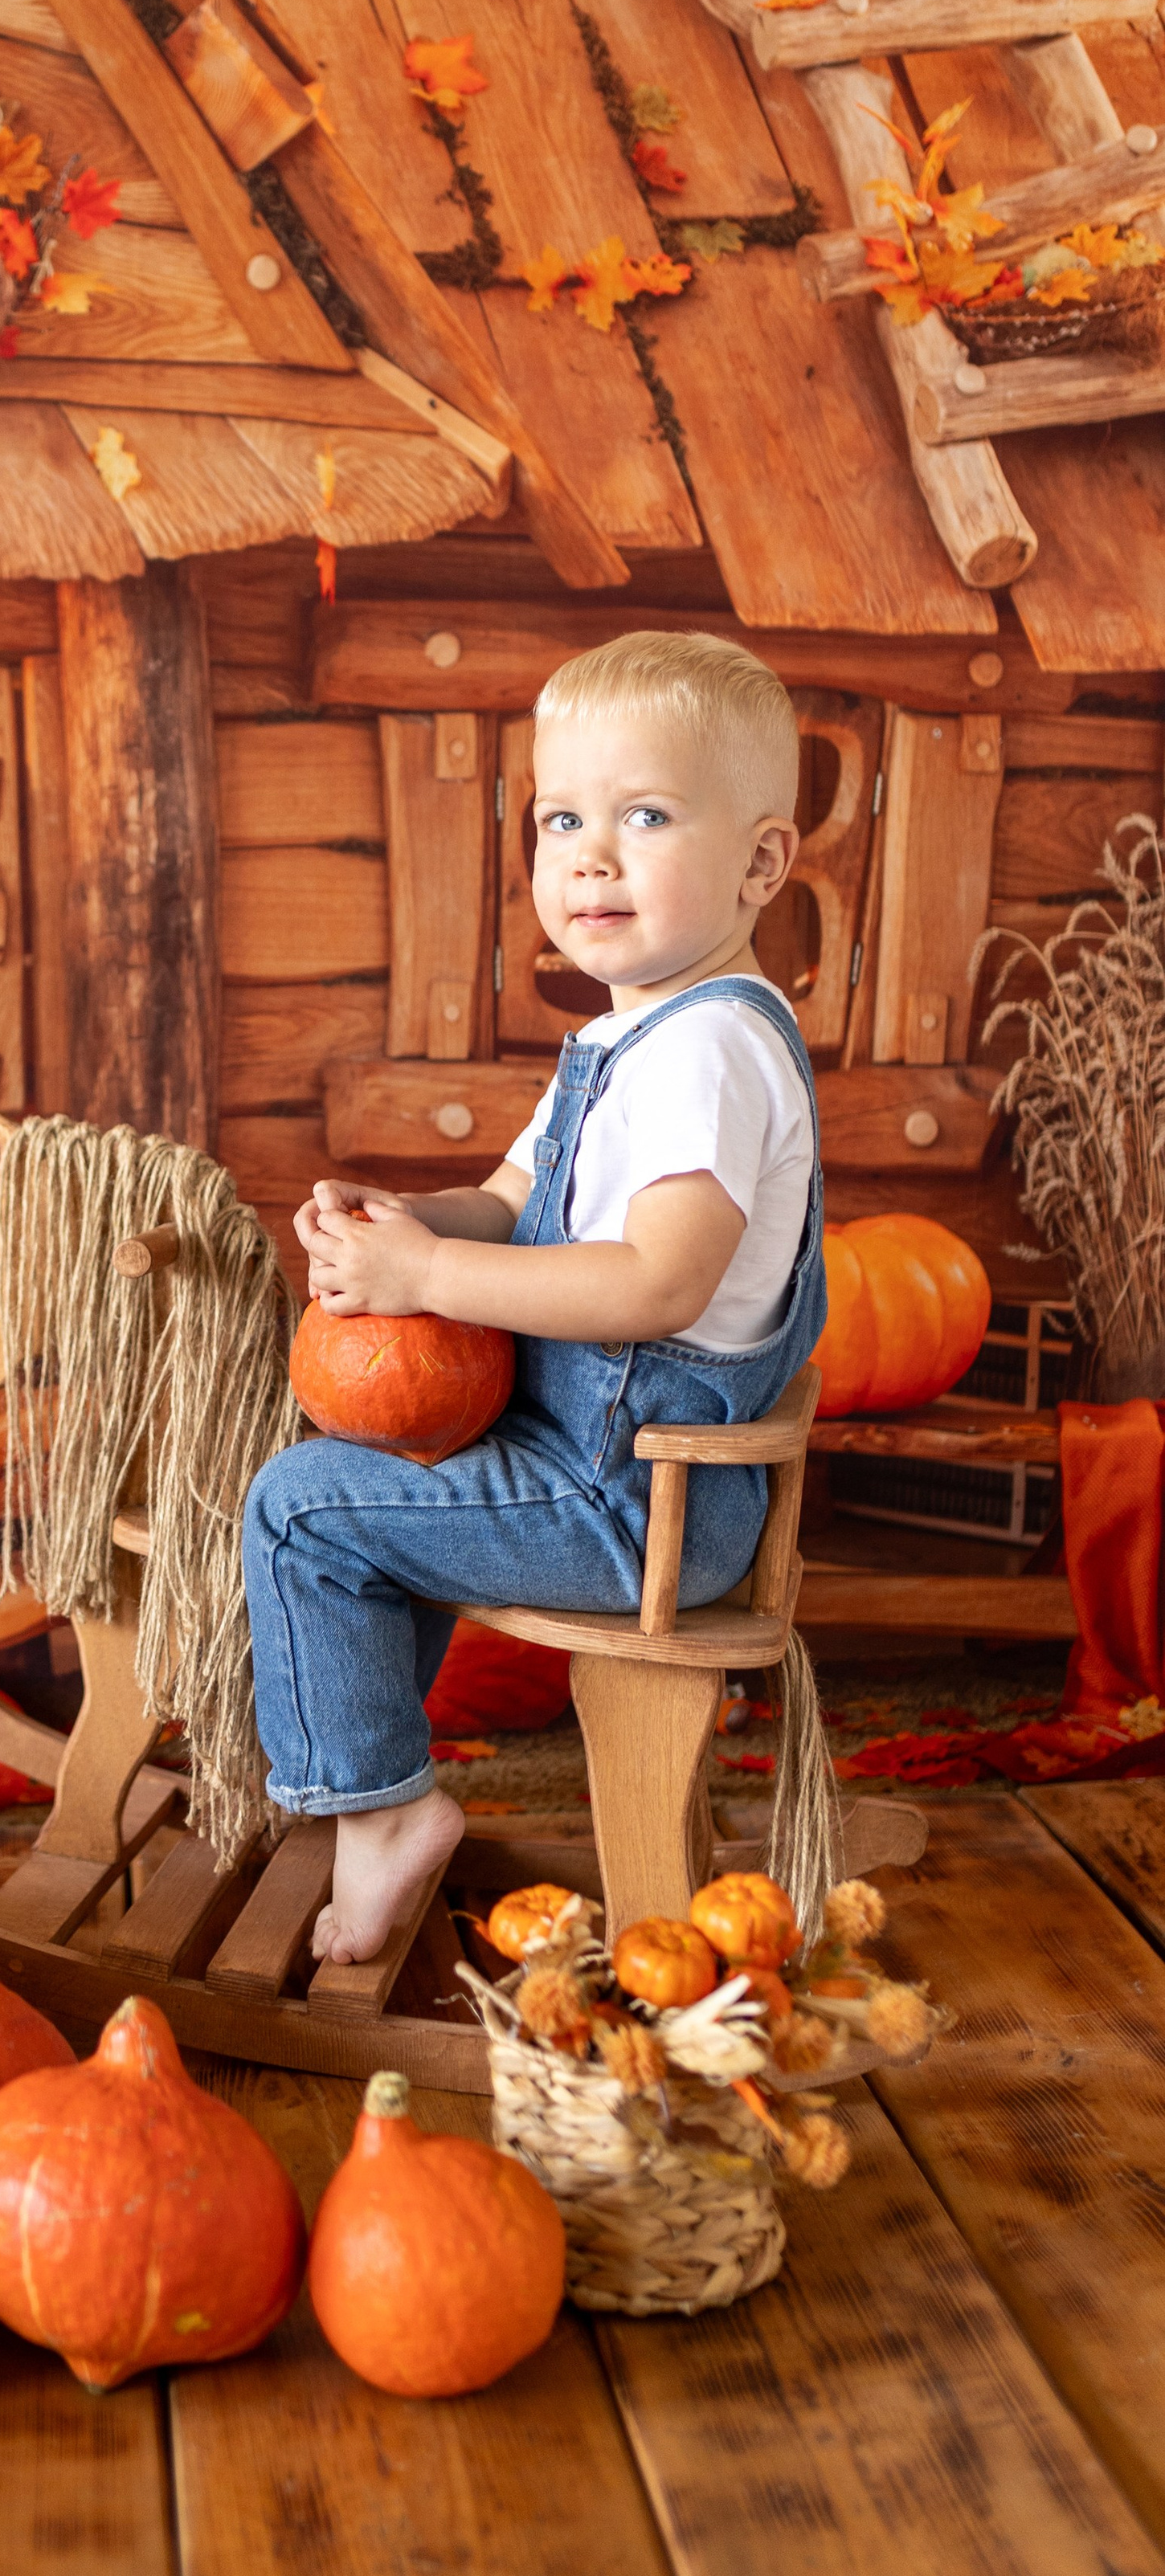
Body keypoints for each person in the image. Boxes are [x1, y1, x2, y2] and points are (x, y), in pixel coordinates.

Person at [243, 630, 828, 1965]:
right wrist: (401, 1224)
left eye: (646, 815)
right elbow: (511, 1199)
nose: (590, 855)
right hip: (594, 1464)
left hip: (634, 1497)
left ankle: (382, 1808)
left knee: (296, 1511)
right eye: (562, 817)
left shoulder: (710, 1055)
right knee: (370, 1467)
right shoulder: (628, 1035)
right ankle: (377, 1774)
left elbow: (658, 1279)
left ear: (759, 862)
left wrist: (431, 1278)